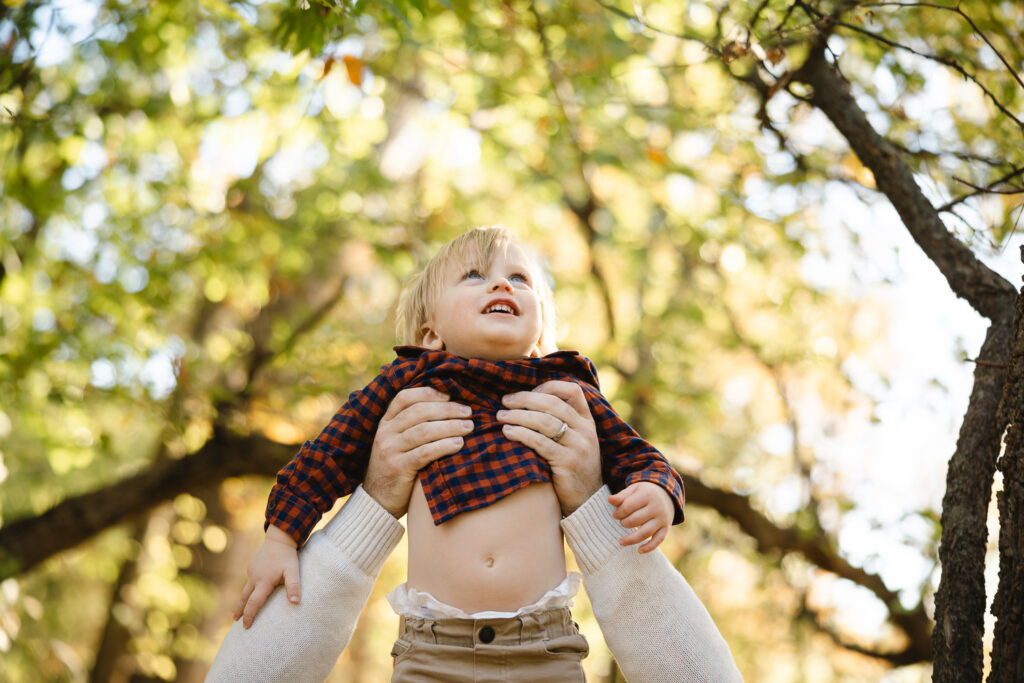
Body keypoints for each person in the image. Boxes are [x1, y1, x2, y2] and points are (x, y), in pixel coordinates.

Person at [206, 380, 742, 682]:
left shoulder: (567, 392)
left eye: (520, 278)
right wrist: (281, 535)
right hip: (430, 652)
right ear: (429, 330)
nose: (501, 284)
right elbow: (327, 454)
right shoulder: (404, 390)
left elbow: (637, 453)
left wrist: (656, 491)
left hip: (546, 648)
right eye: (475, 275)